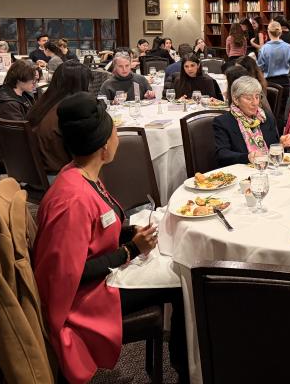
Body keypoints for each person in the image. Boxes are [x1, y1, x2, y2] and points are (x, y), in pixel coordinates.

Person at [32, 92, 187, 383]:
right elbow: (71, 275)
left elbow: (96, 231)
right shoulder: (72, 200)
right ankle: (185, 372)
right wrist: (130, 249)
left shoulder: (78, 174)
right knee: (180, 283)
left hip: (100, 276)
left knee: (173, 269)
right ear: (104, 145)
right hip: (82, 299)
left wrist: (128, 234)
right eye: (115, 130)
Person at [213, 76, 290, 166]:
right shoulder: (223, 122)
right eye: (249, 98)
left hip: (268, 170)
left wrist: (281, 145)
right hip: (242, 173)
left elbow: (271, 150)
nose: (255, 103)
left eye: (257, 97)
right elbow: (222, 154)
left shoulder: (265, 118)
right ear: (236, 99)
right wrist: (247, 157)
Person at [28, 59, 91, 174]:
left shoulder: (44, 103)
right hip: (58, 174)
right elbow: (82, 151)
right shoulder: (68, 110)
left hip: (37, 170)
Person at [257, 21, 290, 122]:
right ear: (280, 32)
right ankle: (280, 135)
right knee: (281, 112)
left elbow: (260, 67)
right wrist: (289, 73)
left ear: (268, 32)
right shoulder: (288, 47)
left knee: (269, 112)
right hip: (284, 82)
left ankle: (271, 136)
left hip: (269, 83)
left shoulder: (264, 48)